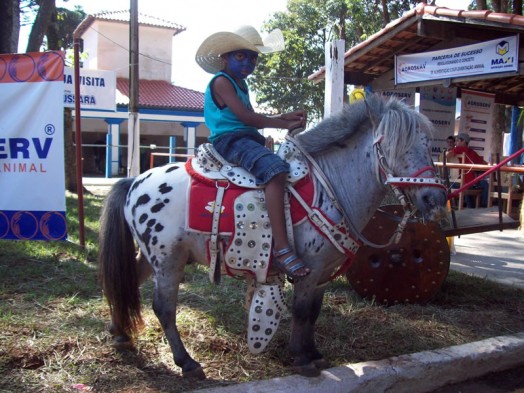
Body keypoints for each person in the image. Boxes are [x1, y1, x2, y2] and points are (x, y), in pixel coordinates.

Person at [195, 25, 309, 278]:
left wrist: (283, 116)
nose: (248, 62)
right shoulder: (222, 82)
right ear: (224, 57)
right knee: (276, 170)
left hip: (246, 136)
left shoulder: (240, 84)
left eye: (253, 58)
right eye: (240, 56)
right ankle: (281, 248)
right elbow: (248, 118)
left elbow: (251, 118)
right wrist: (286, 124)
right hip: (231, 140)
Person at [446, 132, 488, 208]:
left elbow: (447, 156)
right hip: (467, 183)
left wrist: (449, 151)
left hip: (455, 182)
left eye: (457, 140)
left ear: (464, 142)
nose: (455, 143)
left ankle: (454, 207)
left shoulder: (458, 149)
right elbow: (486, 165)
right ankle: (483, 206)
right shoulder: (471, 152)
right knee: (485, 184)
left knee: (470, 186)